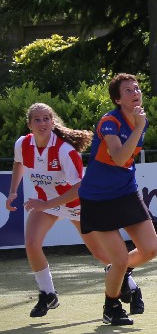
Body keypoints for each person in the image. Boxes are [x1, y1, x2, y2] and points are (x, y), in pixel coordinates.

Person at [7, 102, 109, 318]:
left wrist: (46, 205)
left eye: (46, 118)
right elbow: (18, 163)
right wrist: (13, 191)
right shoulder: (22, 144)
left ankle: (130, 285)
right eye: (37, 120)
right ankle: (48, 294)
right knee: (31, 244)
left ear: (53, 122)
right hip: (47, 203)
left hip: (76, 204)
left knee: (101, 253)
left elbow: (79, 188)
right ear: (29, 125)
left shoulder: (65, 150)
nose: (42, 123)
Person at [77, 73, 157, 326]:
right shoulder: (109, 121)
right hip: (98, 199)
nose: (135, 93)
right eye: (128, 90)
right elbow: (120, 157)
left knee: (150, 250)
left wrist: (139, 125)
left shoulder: (141, 120)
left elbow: (127, 160)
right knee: (120, 259)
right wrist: (138, 127)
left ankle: (118, 273)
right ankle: (111, 306)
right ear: (117, 99)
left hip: (126, 192)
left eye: (137, 88)